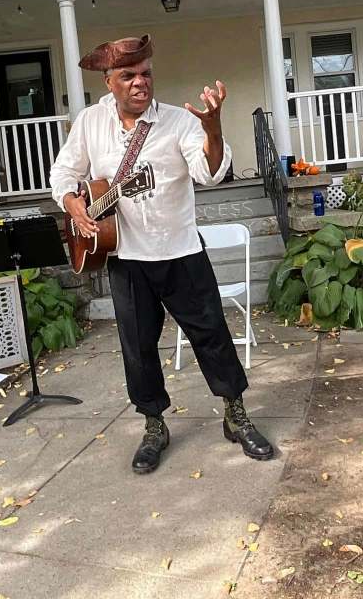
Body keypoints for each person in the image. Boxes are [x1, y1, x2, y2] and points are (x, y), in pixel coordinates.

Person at [49, 34, 274, 474]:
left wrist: (212, 128)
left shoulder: (178, 121)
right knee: (137, 348)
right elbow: (63, 173)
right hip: (125, 257)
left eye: (145, 73)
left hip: (180, 251)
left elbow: (209, 173)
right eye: (128, 76)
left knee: (211, 336)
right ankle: (154, 425)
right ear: (109, 82)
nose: (140, 82)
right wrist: (74, 205)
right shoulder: (91, 122)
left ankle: (235, 415)